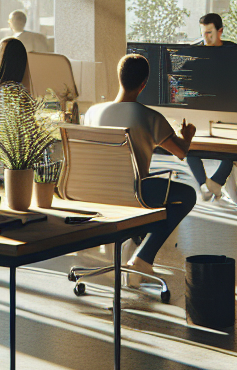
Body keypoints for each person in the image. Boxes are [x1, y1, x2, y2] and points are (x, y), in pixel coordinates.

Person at [84, 54, 197, 278]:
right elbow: (181, 152)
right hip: (134, 192)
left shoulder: (92, 113)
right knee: (187, 195)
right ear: (143, 84)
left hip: (94, 192)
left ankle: (137, 246)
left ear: (119, 77)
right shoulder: (149, 117)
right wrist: (187, 136)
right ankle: (143, 258)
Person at [186, 13, 237, 208]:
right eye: (203, 33)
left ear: (220, 31)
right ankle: (206, 184)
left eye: (210, 33)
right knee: (187, 143)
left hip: (226, 108)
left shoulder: (233, 51)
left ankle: (215, 183)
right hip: (199, 108)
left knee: (232, 145)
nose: (206, 38)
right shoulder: (193, 52)